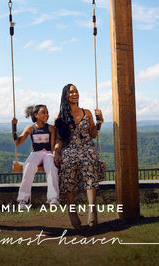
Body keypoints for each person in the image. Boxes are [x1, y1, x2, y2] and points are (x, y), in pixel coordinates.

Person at [54, 84, 103, 229]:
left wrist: (99, 122)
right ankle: (71, 209)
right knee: (67, 164)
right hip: (69, 148)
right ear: (65, 95)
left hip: (86, 147)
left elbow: (93, 134)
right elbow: (58, 139)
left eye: (76, 91)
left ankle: (92, 209)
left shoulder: (86, 113)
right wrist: (56, 152)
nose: (75, 94)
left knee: (89, 161)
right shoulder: (60, 117)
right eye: (71, 92)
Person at [12, 105, 59, 209]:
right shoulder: (30, 128)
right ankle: (24, 200)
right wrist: (14, 128)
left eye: (47, 112)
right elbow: (17, 142)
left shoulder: (50, 128)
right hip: (36, 153)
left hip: (47, 153)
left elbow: (52, 147)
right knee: (28, 167)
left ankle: (53, 198)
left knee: (51, 167)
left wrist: (54, 156)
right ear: (36, 115)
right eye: (43, 112)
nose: (46, 114)